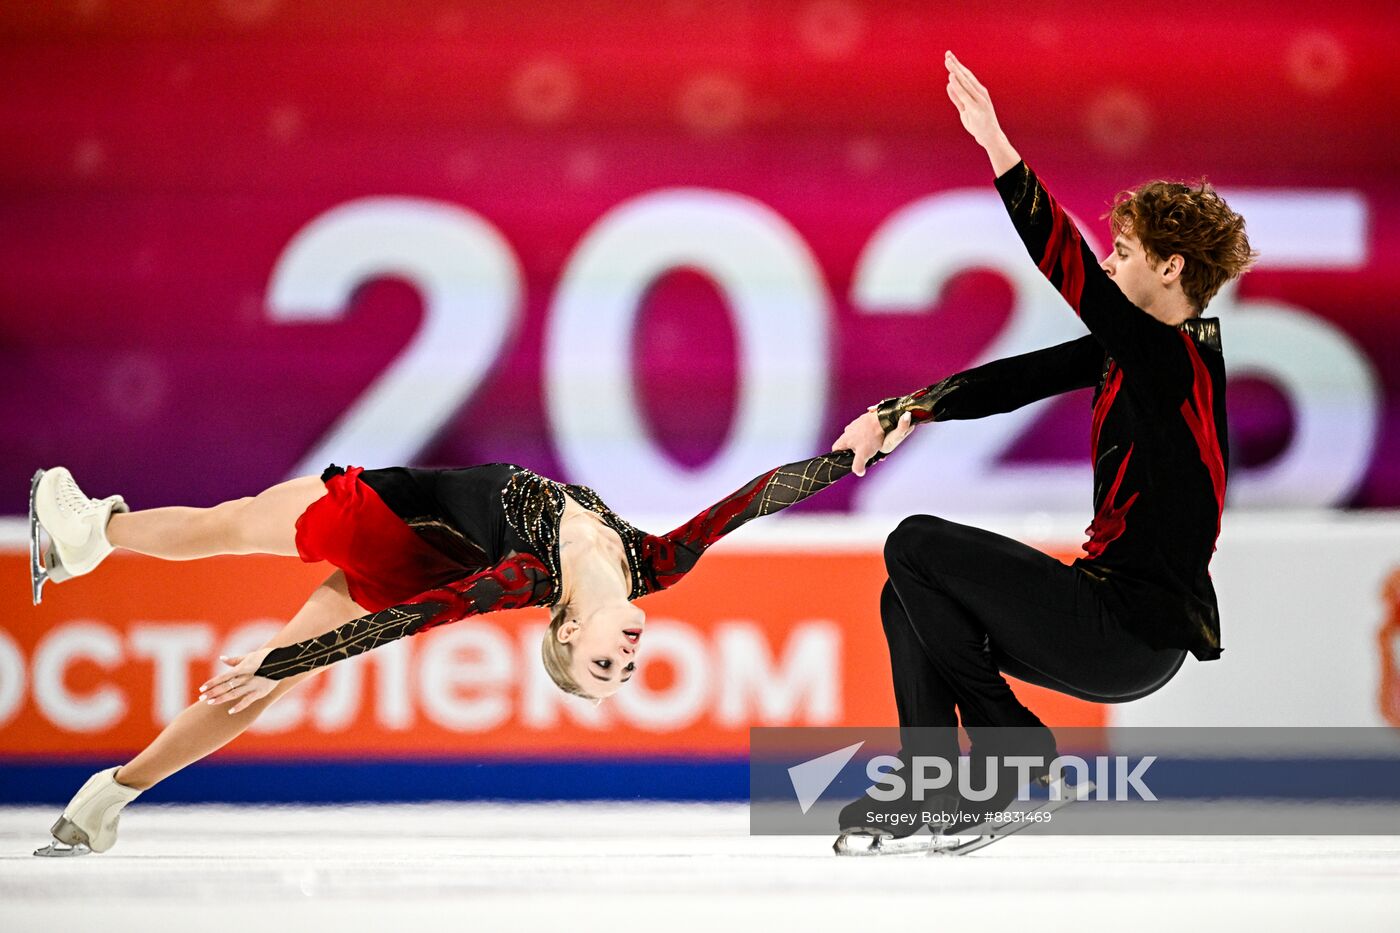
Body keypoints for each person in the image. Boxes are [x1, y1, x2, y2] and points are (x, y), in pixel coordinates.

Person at [28, 416, 916, 856]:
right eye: (632, 665)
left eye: (606, 666)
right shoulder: (655, 562)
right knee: (255, 660)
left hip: (386, 521)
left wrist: (289, 656)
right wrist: (846, 457)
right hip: (411, 552)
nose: (630, 655)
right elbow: (749, 502)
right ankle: (105, 801)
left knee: (227, 528)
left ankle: (90, 534)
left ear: (567, 634)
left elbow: (418, 618)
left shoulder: (532, 578)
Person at [830, 51, 1256, 840]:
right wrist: (901, 413)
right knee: (909, 593)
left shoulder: (1175, 358)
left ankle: (1010, 749)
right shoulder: (1133, 354)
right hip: (1107, 622)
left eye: (1122, 253)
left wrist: (997, 144)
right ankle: (932, 784)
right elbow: (1012, 380)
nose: (1105, 261)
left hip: (1127, 631)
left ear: (1169, 268)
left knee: (914, 542)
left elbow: (1065, 265)